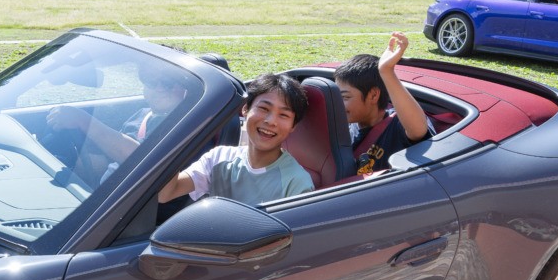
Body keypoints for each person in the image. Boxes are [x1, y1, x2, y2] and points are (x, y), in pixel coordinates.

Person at [159, 73, 313, 205]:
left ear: (293, 126)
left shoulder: (296, 183)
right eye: (264, 108)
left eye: (284, 115)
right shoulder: (219, 158)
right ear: (245, 109)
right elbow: (166, 193)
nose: (271, 121)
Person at [46, 62, 190, 181]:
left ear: (186, 86)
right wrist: (67, 163)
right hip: (111, 200)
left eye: (168, 82)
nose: (159, 88)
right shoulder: (142, 115)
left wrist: (83, 121)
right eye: (150, 80)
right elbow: (108, 161)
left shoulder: (188, 124)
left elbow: (142, 160)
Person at [334, 32, 433, 176]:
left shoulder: (397, 125)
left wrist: (386, 71)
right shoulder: (346, 124)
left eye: (345, 97)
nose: (338, 104)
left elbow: (418, 130)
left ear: (373, 95)